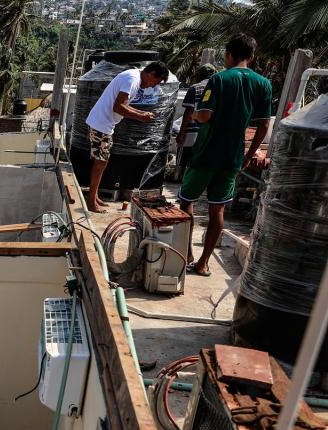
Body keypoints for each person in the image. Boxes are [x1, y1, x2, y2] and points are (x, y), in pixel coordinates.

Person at [179, 35, 272, 276]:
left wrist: (195, 115)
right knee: (217, 210)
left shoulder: (219, 79)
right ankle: (203, 263)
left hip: (206, 152)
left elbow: (206, 115)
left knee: (186, 201)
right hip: (232, 156)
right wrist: (250, 154)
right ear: (251, 57)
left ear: (228, 54)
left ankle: (186, 253)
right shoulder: (263, 84)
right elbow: (263, 125)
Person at [84, 61, 171, 212]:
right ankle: (91, 202)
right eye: (154, 82)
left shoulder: (133, 77)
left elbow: (123, 104)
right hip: (101, 124)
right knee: (100, 163)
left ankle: (94, 196)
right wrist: (140, 117)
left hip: (103, 124)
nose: (152, 87)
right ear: (150, 74)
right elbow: (118, 107)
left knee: (102, 162)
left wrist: (141, 113)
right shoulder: (132, 80)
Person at [175, 63, 218, 180]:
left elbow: (189, 112)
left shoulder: (195, 88)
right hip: (209, 133)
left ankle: (182, 182)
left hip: (191, 133)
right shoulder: (218, 89)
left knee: (185, 161)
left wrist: (181, 133)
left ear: (199, 75)